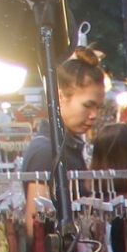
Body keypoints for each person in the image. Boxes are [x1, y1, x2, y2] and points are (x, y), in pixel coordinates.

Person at [21, 51, 109, 215]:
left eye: (98, 107)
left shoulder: (64, 147)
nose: (94, 115)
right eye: (87, 105)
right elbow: (37, 227)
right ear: (60, 97)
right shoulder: (46, 152)